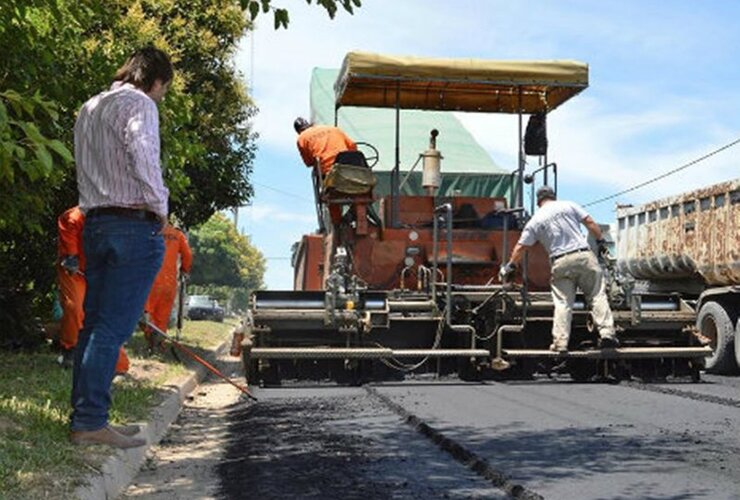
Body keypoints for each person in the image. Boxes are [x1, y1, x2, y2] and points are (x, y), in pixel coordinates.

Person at [70, 46, 172, 448]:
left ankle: (88, 418)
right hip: (133, 225)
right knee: (112, 328)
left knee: (94, 325)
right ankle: (91, 423)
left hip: (95, 222)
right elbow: (143, 154)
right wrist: (160, 206)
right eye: (163, 89)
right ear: (157, 80)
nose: (161, 96)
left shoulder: (90, 106)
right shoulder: (140, 104)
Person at [499, 185, 619, 353]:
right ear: (553, 196)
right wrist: (600, 241)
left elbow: (521, 247)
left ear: (538, 201)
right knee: (597, 295)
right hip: (583, 256)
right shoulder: (569, 205)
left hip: (560, 262)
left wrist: (510, 265)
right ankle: (607, 335)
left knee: (563, 303)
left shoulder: (536, 219)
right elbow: (590, 223)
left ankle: (560, 343)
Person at [57, 206, 130, 374]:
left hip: (101, 271)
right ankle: (70, 349)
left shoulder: (120, 221)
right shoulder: (74, 216)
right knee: (74, 307)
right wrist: (70, 256)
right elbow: (68, 235)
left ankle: (114, 362)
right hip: (74, 270)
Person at [294, 117, 357, 225]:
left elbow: (308, 163)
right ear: (310, 124)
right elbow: (353, 147)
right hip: (351, 172)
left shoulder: (301, 138)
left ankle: (338, 225)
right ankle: (356, 212)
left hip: (329, 175)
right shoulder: (334, 129)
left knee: (330, 195)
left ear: (298, 130)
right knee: (360, 194)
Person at [144, 224, 193, 349]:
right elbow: (187, 254)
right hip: (169, 282)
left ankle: (150, 341)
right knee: (162, 315)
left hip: (150, 279)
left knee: (148, 312)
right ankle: (159, 343)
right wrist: (185, 270)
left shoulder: (150, 230)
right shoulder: (177, 234)